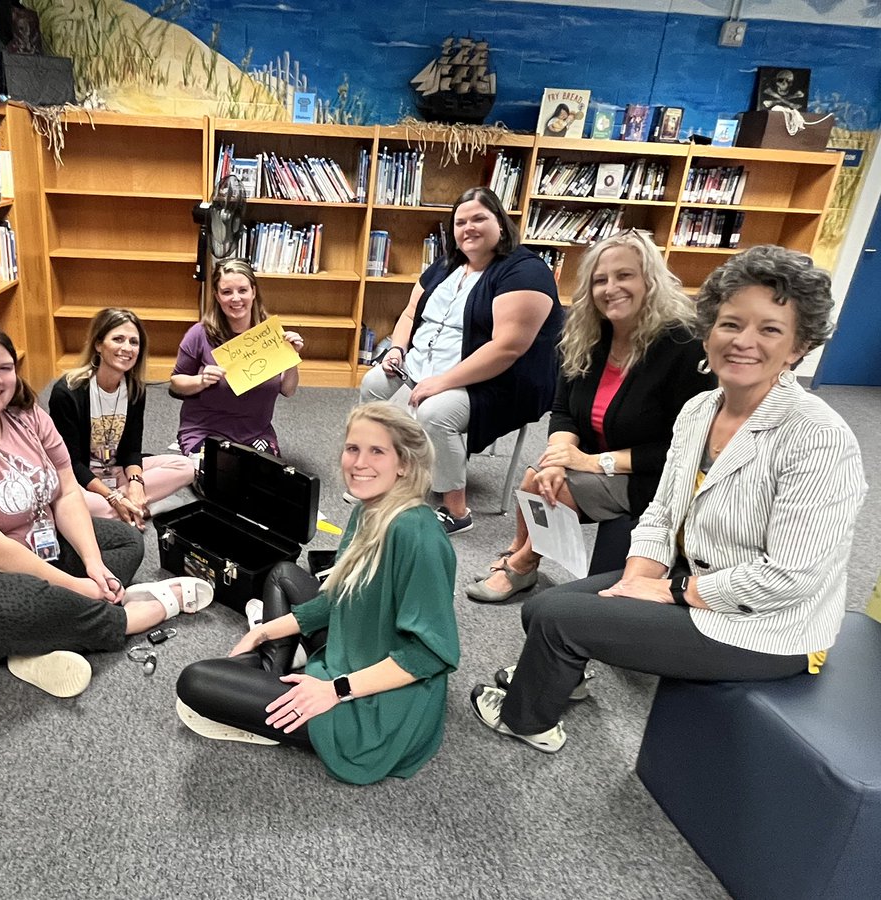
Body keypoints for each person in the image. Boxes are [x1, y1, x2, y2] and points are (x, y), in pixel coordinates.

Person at [468, 245, 866, 753]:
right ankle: (565, 677)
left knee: (557, 620)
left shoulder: (817, 437)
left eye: (769, 329)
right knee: (544, 606)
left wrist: (671, 593)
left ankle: (526, 720)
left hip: (768, 626)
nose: (743, 342)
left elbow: (791, 579)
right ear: (709, 331)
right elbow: (662, 510)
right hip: (694, 576)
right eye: (730, 324)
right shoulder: (701, 409)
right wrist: (639, 577)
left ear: (798, 346)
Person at [0, 323, 214, 699]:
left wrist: (93, 565)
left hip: (24, 546)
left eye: (4, 367)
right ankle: (125, 617)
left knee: (125, 542)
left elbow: (65, 491)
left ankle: (33, 644)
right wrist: (76, 585)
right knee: (27, 602)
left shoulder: (25, 414)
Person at [175, 402, 459, 785]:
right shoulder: (369, 509)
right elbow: (338, 598)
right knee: (283, 574)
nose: (359, 463)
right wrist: (263, 632)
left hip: (381, 708)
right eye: (352, 448)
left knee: (194, 682)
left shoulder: (417, 535)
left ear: (404, 463)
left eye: (377, 451)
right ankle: (273, 676)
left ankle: (274, 686)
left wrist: (336, 690)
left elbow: (429, 653)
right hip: (357, 648)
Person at [469, 230, 714, 602]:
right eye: (600, 280)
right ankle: (517, 554)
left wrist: (591, 462)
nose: (611, 288)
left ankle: (522, 565)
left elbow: (684, 448)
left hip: (654, 474)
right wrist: (557, 456)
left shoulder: (682, 345)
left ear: (650, 279)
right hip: (596, 460)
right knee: (534, 479)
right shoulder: (586, 335)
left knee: (561, 491)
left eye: (624, 275)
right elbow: (564, 411)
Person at [361, 186, 564, 535]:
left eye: (478, 219)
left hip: (497, 379)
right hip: (423, 364)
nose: (468, 228)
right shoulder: (447, 266)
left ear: (500, 223)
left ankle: (456, 510)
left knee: (434, 413)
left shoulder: (525, 273)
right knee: (373, 385)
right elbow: (410, 314)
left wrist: (442, 382)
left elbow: (507, 349)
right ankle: (385, 473)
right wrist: (396, 349)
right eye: (460, 222)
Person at [48, 308, 194, 530]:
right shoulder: (68, 392)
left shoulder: (135, 390)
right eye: (118, 339)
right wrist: (112, 497)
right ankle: (142, 508)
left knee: (186, 466)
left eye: (134, 342)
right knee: (67, 503)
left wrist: (135, 484)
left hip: (118, 473)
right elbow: (71, 463)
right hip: (84, 480)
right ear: (98, 344)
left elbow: (132, 451)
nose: (127, 348)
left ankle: (130, 506)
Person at [170, 259, 303, 457]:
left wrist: (292, 358)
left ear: (253, 292)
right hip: (205, 430)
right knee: (216, 481)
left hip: (256, 432)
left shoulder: (269, 335)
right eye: (226, 292)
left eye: (242, 290)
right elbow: (175, 383)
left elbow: (288, 390)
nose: (236, 298)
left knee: (264, 483)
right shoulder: (200, 333)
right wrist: (201, 381)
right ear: (216, 296)